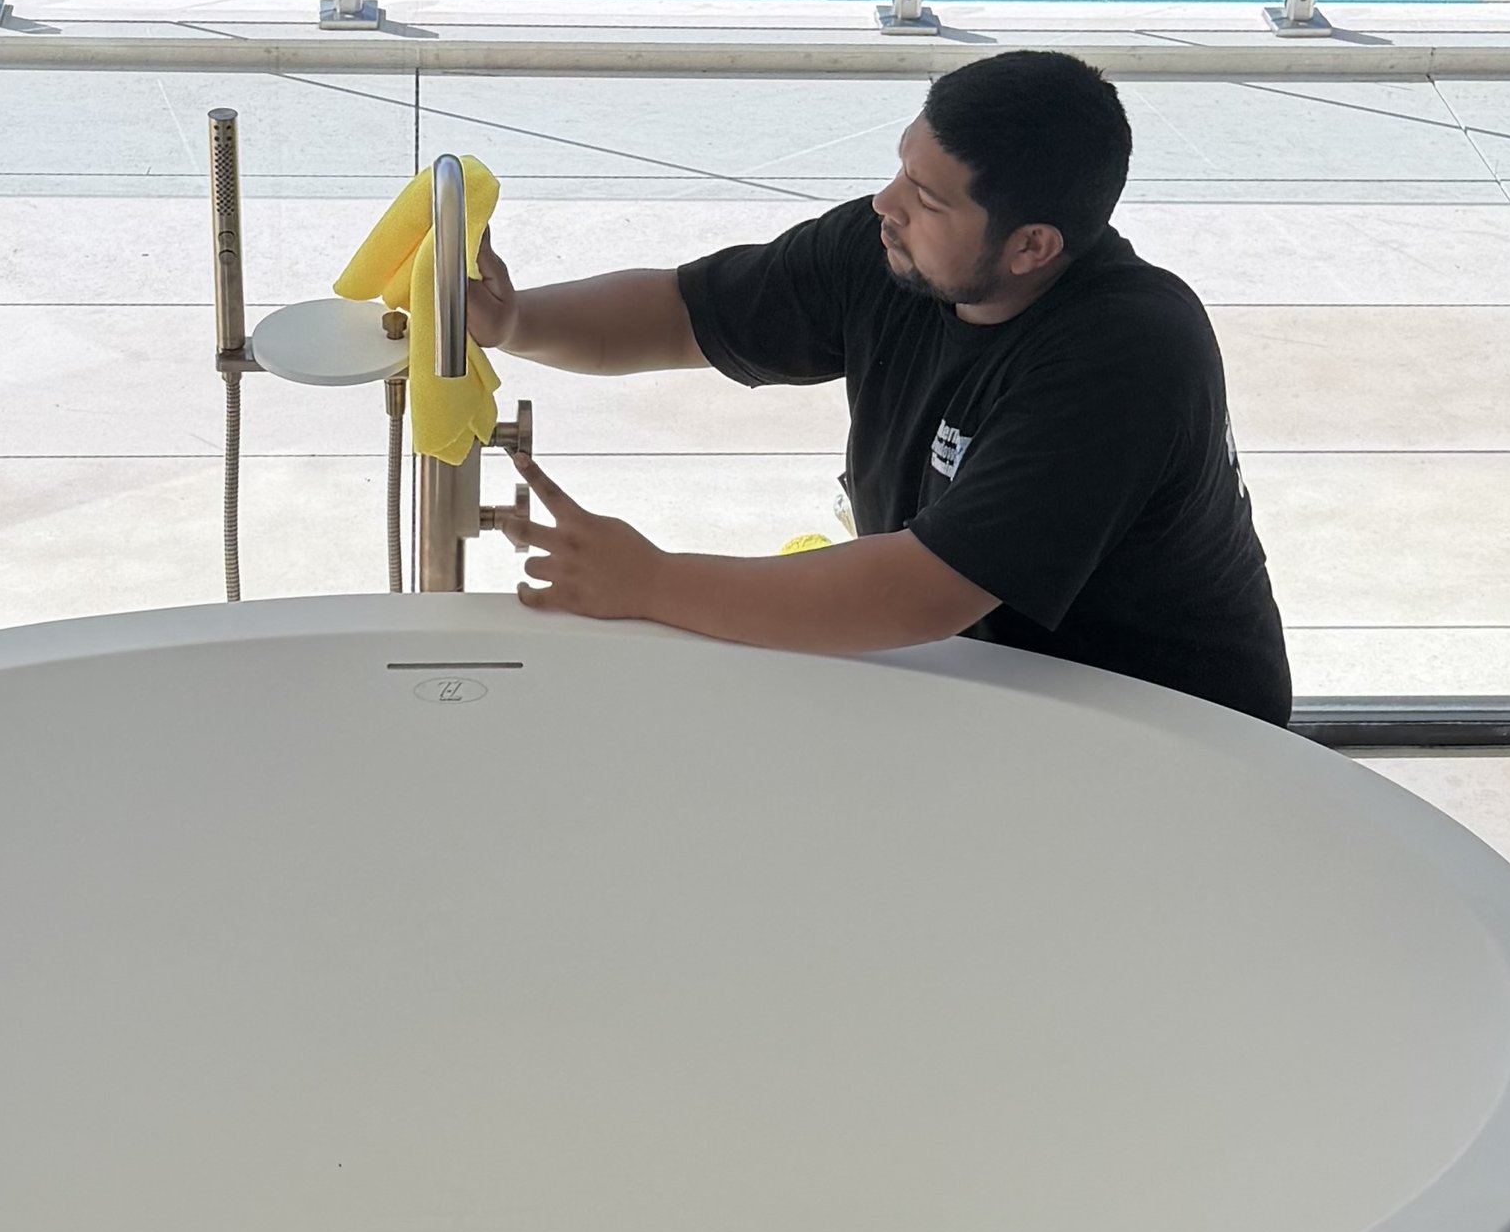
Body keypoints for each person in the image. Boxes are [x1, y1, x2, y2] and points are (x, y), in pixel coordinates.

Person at [471, 48, 1293, 725]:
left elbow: (917, 593)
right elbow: (682, 313)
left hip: (1169, 730)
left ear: (1031, 247)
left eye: (928, 198)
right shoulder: (894, 252)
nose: (886, 203)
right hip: (996, 686)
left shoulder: (1129, 352)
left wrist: (650, 582)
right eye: (902, 168)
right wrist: (513, 323)